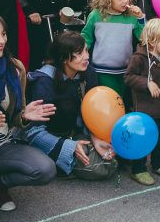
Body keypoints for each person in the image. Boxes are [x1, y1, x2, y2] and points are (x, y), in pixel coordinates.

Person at [0, 11, 56, 222]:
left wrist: (23, 116)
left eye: (3, 34)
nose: (1, 40)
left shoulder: (15, 68)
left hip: (4, 146)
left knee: (45, 170)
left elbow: (14, 117)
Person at [25, 31, 115, 178]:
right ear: (64, 58)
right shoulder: (44, 81)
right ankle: (55, 163)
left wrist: (96, 137)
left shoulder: (89, 73)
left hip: (76, 132)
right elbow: (34, 133)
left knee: (113, 155)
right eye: (79, 53)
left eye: (86, 50)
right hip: (51, 136)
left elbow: (93, 113)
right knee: (98, 169)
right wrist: (70, 147)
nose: (86, 57)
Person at [125, 18, 160, 185]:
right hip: (146, 109)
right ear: (151, 41)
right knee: (143, 139)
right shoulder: (139, 58)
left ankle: (159, 163)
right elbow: (128, 77)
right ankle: (139, 168)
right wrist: (146, 82)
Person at [81, 0, 145, 109]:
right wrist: (81, 53)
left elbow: (143, 37)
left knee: (121, 102)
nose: (125, 1)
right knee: (108, 103)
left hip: (125, 69)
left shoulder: (131, 17)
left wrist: (140, 18)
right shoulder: (96, 15)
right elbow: (86, 36)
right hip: (102, 70)